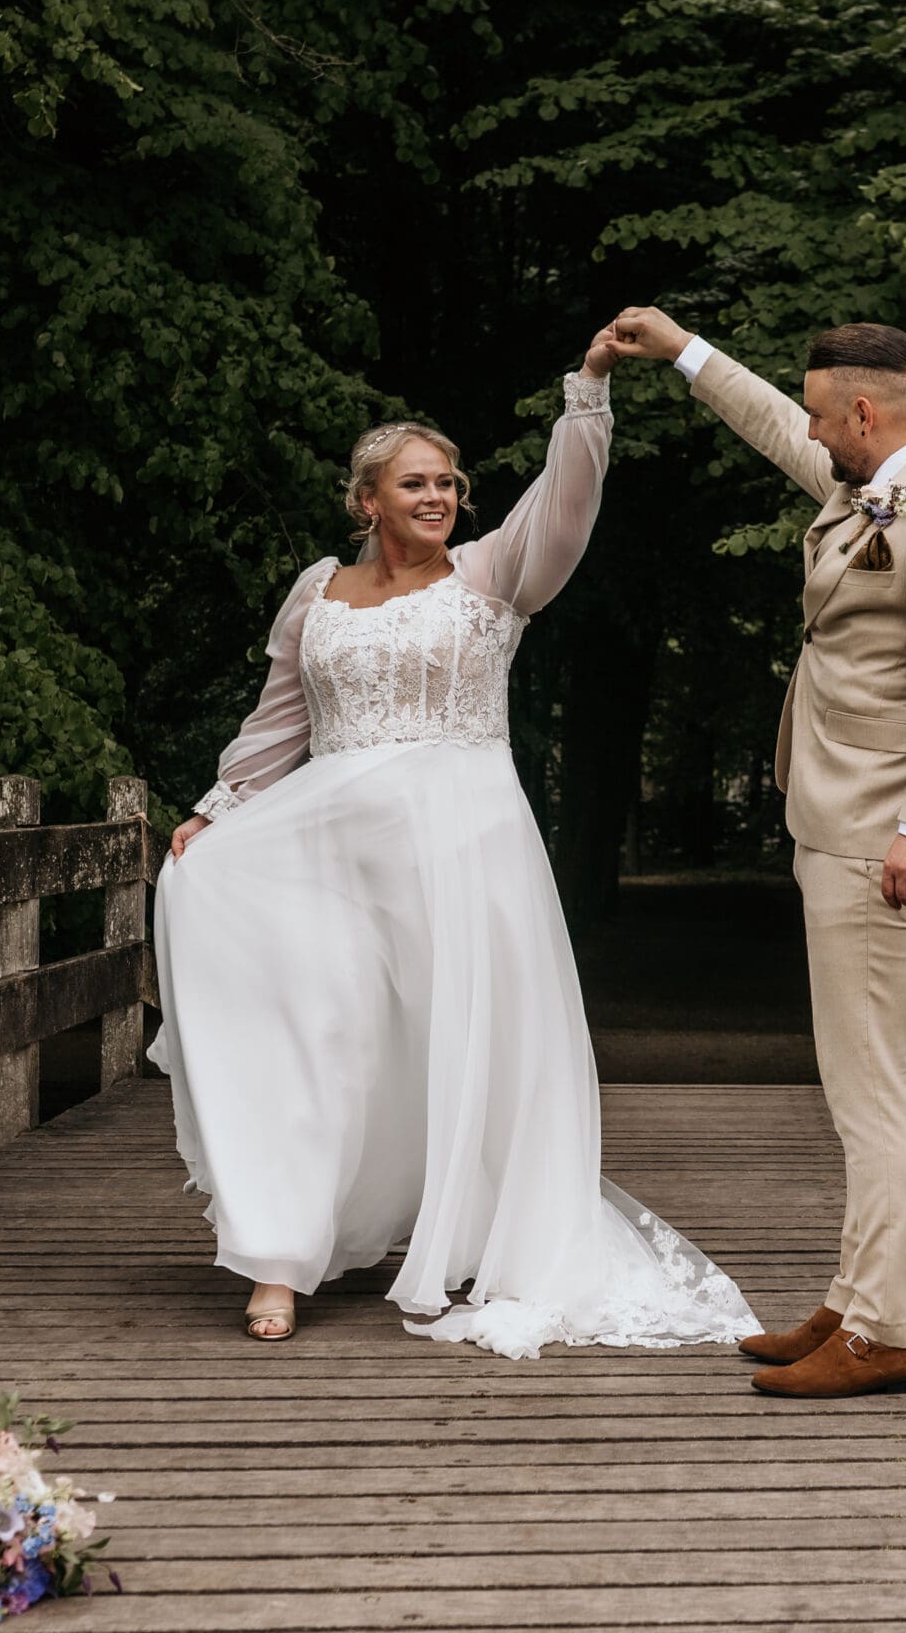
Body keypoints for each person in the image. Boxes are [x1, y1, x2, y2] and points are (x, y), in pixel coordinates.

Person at [147, 326, 760, 1358]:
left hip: (464, 849)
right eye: (415, 484)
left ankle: (490, 1238)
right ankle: (276, 1256)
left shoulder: (492, 574)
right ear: (367, 501)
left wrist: (590, 390)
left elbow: (566, 504)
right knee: (322, 1042)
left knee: (474, 1049)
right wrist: (220, 805)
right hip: (330, 855)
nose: (437, 497)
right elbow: (280, 720)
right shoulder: (317, 593)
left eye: (448, 482)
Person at [604, 308, 906, 1398]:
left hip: (885, 839)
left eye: (827, 417)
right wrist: (683, 351)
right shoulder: (871, 480)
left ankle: (887, 1333)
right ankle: (853, 1298)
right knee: (854, 1086)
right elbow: (780, 428)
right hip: (840, 821)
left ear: (866, 413)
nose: (814, 433)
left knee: (874, 1091)